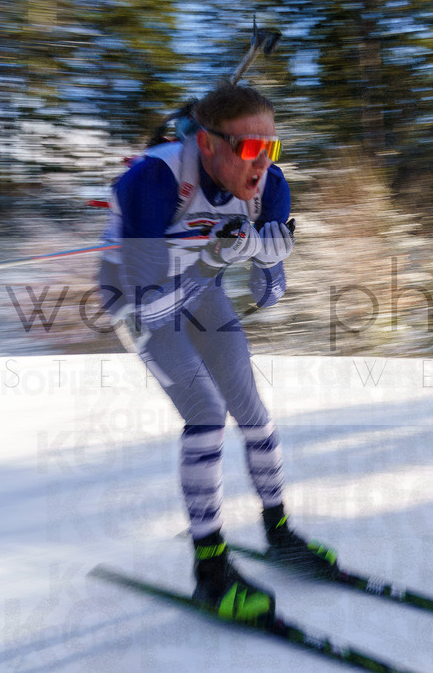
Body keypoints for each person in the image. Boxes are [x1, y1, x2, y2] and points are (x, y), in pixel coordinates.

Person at [99, 82, 336, 624]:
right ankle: (210, 571)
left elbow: (267, 295)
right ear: (207, 145)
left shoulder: (269, 186)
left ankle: (279, 532)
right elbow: (151, 309)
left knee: (252, 410)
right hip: (136, 293)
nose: (263, 162)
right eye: (249, 148)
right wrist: (212, 257)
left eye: (271, 147)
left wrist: (259, 251)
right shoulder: (153, 180)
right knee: (206, 414)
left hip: (199, 289)